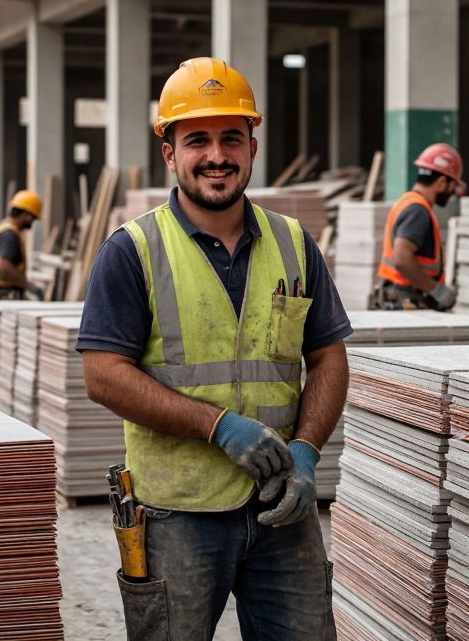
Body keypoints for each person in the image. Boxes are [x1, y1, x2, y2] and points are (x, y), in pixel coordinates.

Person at [79, 57, 352, 640]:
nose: (217, 155)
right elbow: (102, 375)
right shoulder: (133, 251)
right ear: (169, 153)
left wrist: (306, 453)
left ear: (252, 146)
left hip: (283, 505)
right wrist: (218, 426)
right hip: (177, 513)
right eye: (196, 139)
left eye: (232, 138)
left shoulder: (294, 244)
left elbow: (328, 357)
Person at [371, 143, 464, 311]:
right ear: (442, 182)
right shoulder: (418, 211)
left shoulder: (407, 202)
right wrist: (435, 289)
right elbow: (402, 257)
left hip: (396, 295)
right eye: (453, 185)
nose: (453, 192)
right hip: (405, 298)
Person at [0, 189, 43, 300]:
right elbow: (3, 264)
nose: (32, 221)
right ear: (27, 215)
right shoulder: (9, 235)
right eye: (33, 218)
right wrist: (26, 284)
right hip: (0, 294)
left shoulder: (0, 229)